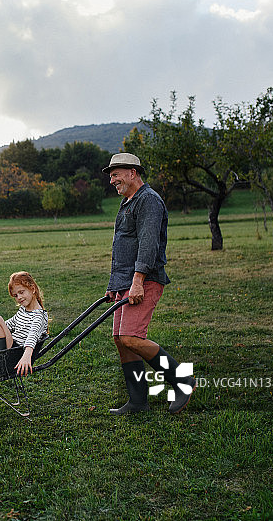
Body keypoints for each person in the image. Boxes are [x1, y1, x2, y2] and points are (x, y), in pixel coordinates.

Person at [103, 153, 195, 415]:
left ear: (133, 172)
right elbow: (121, 246)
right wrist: (115, 283)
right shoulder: (126, 203)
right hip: (125, 281)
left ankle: (182, 379)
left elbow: (148, 244)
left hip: (144, 279)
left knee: (132, 337)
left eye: (115, 174)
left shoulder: (149, 201)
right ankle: (138, 401)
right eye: (110, 175)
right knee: (121, 340)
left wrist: (138, 281)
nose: (112, 180)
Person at [0, 271, 48, 377]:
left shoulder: (39, 316)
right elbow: (9, 325)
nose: (19, 297)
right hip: (11, 348)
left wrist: (27, 356)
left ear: (32, 289)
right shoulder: (23, 310)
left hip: (17, 354)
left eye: (21, 292)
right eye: (15, 295)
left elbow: (32, 336)